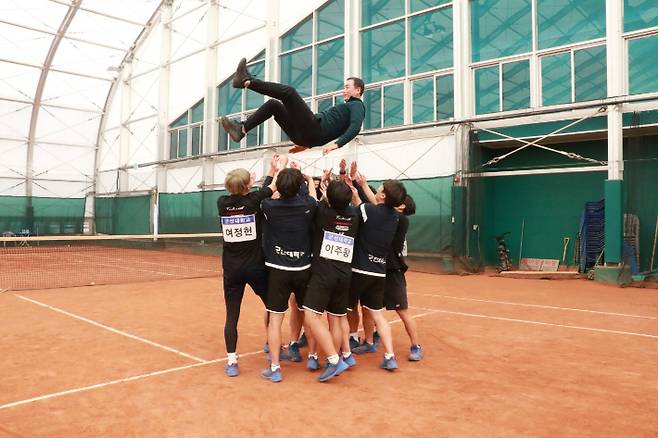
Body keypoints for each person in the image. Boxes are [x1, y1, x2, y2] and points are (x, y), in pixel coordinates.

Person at [220, 58, 365, 156]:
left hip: (314, 130)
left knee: (289, 93)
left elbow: (355, 127)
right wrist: (306, 144)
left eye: (347, 87)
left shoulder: (357, 106)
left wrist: (337, 145)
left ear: (358, 90)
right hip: (305, 136)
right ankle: (241, 129)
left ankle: (247, 81)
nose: (344, 90)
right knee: (274, 105)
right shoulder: (348, 107)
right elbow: (335, 130)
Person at [216, 155, 279, 377]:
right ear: (246, 186)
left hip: (232, 270)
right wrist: (273, 169)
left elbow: (255, 191)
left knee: (231, 316)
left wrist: (247, 183)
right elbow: (271, 187)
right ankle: (274, 349)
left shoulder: (222, 203)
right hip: (256, 268)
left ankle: (232, 361)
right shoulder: (253, 201)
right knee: (273, 307)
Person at [302, 163, 360, 382]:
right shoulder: (355, 215)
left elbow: (312, 200)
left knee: (311, 315)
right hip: (344, 274)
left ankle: (334, 360)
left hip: (323, 274)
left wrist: (314, 183)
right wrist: (346, 185)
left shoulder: (322, 212)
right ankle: (335, 360)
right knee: (336, 319)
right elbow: (356, 202)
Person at [260, 167, 317, 382]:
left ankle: (275, 367)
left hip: (278, 271)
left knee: (276, 319)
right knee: (309, 315)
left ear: (279, 187)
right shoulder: (309, 205)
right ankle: (312, 356)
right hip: (303, 270)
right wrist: (310, 179)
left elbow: (264, 192)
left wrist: (273, 176)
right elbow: (313, 196)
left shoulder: (268, 205)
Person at [348, 169, 406, 371]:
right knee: (378, 315)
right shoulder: (395, 218)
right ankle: (390, 355)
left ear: (382, 195)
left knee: (347, 307)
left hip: (359, 270)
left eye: (380, 188)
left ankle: (347, 347)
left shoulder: (369, 210)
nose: (378, 188)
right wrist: (363, 185)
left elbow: (361, 206)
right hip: (378, 273)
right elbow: (377, 206)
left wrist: (356, 192)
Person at [384, 194, 423, 361]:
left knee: (403, 311)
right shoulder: (388, 216)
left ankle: (415, 345)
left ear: (401, 207)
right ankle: (372, 339)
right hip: (378, 269)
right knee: (371, 309)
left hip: (394, 271)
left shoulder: (400, 220)